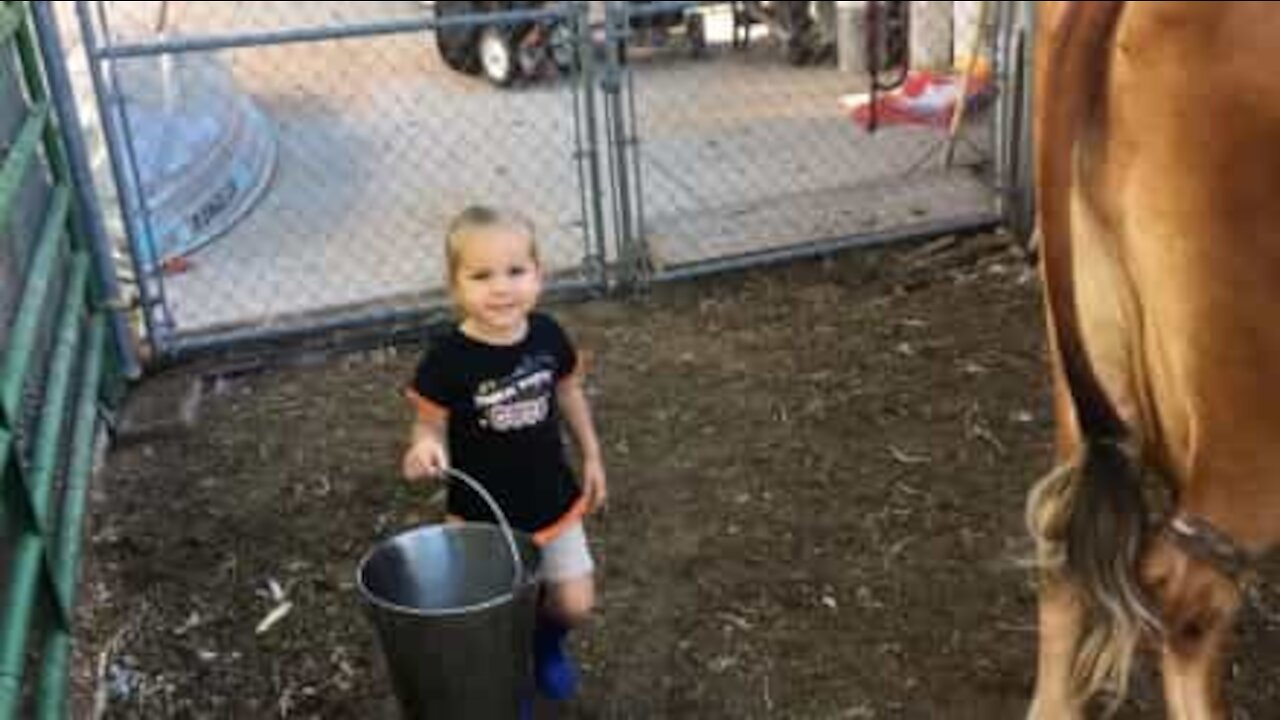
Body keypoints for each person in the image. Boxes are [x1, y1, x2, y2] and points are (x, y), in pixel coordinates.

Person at [401, 205, 608, 703]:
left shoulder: (547, 335)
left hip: (551, 499)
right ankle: (507, 676)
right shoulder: (447, 360)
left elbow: (568, 392)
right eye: (481, 275)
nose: (501, 287)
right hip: (482, 519)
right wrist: (423, 447)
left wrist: (593, 457)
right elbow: (427, 425)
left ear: (539, 274)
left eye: (516, 271)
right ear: (455, 286)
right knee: (493, 616)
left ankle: (546, 642)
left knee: (575, 603)